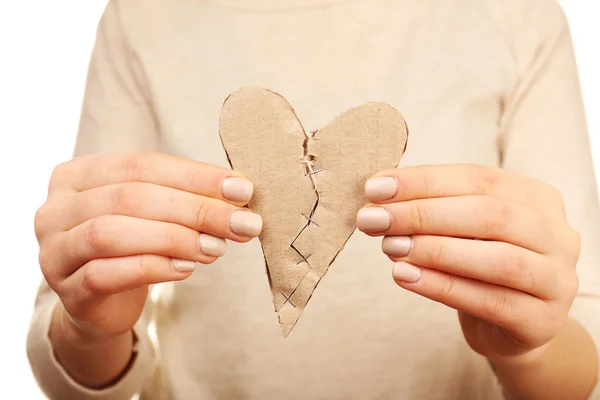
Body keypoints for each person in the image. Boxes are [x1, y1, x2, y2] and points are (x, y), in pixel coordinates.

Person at [27, 0, 600, 399]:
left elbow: (585, 357)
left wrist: (529, 349)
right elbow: (69, 371)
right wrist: (90, 329)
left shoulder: (517, 16)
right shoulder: (141, 19)